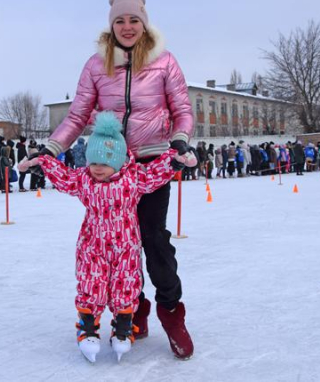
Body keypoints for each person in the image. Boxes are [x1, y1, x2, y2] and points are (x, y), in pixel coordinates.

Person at [32, 0, 195, 360]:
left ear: (144, 23)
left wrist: (180, 141)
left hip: (152, 161)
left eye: (133, 20)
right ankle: (132, 308)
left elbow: (182, 108)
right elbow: (76, 116)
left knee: (153, 240)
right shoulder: (95, 65)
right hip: (112, 168)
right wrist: (50, 149)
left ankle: (171, 312)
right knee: (115, 245)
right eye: (120, 20)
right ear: (111, 26)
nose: (126, 26)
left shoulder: (165, 62)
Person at [18, 113, 194, 363]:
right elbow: (64, 176)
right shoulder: (84, 180)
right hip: (92, 246)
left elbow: (154, 172)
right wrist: (44, 161)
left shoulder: (132, 179)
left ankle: (123, 324)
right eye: (93, 163)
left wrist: (174, 160)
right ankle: (88, 325)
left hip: (125, 247)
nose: (97, 169)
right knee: (92, 282)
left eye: (104, 163)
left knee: (126, 282)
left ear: (120, 162)